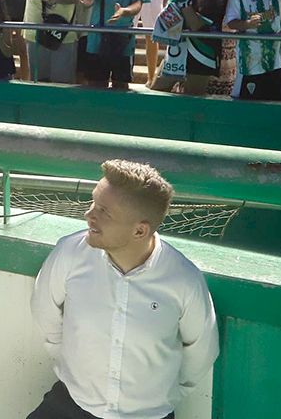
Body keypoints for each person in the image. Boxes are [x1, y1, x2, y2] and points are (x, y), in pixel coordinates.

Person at [29, 160, 218, 419]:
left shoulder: (184, 280)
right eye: (93, 203)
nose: (89, 215)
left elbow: (202, 350)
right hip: (71, 405)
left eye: (104, 211)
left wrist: (156, 400)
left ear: (140, 230)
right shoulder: (69, 253)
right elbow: (45, 312)